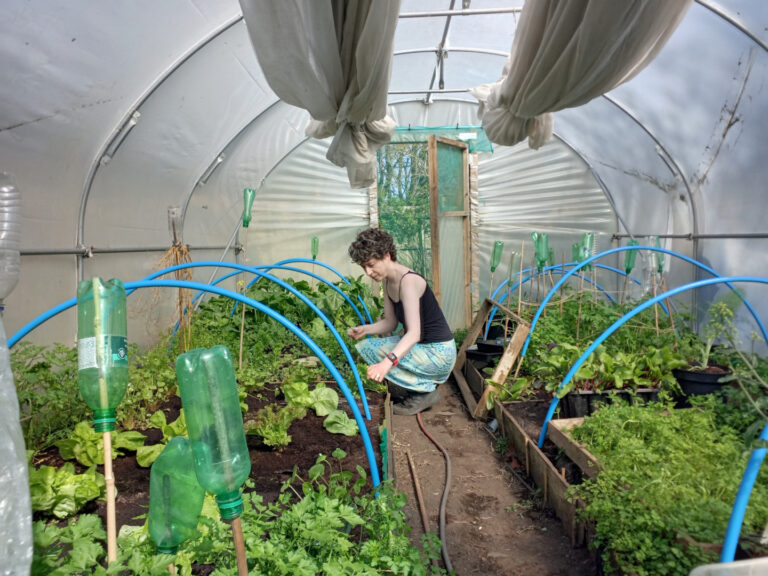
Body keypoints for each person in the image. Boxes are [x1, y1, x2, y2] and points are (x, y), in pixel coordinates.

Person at [347, 228, 457, 415]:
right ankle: (417, 388)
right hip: (423, 348)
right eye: (364, 267)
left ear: (387, 255)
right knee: (367, 346)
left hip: (439, 353)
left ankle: (424, 392)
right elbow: (391, 322)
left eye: (371, 265)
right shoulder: (388, 281)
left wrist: (386, 363)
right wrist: (365, 329)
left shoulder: (408, 282)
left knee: (377, 354)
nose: (368, 272)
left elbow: (414, 334)